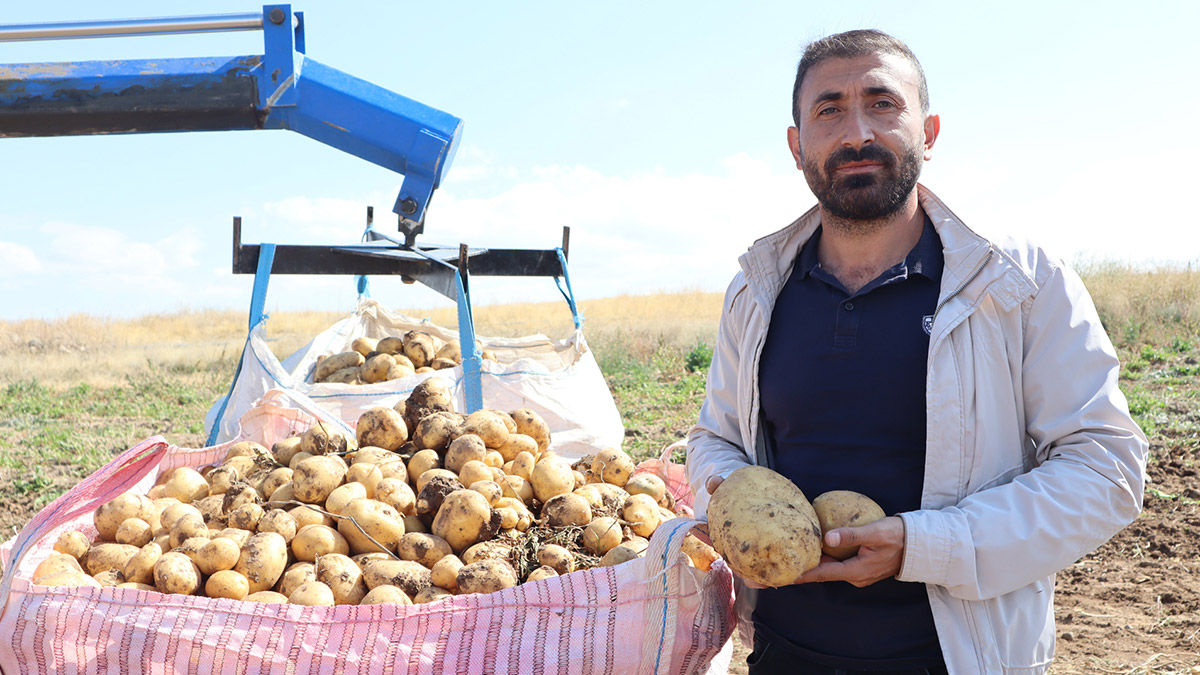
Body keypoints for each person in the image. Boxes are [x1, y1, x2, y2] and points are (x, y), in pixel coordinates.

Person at [686, 29, 1148, 675]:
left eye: (882, 104)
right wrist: (732, 494)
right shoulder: (756, 289)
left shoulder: (1017, 280)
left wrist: (922, 546)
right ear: (796, 146)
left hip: (962, 656)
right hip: (784, 653)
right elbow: (716, 437)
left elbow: (1106, 469)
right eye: (829, 110)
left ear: (928, 132)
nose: (856, 133)